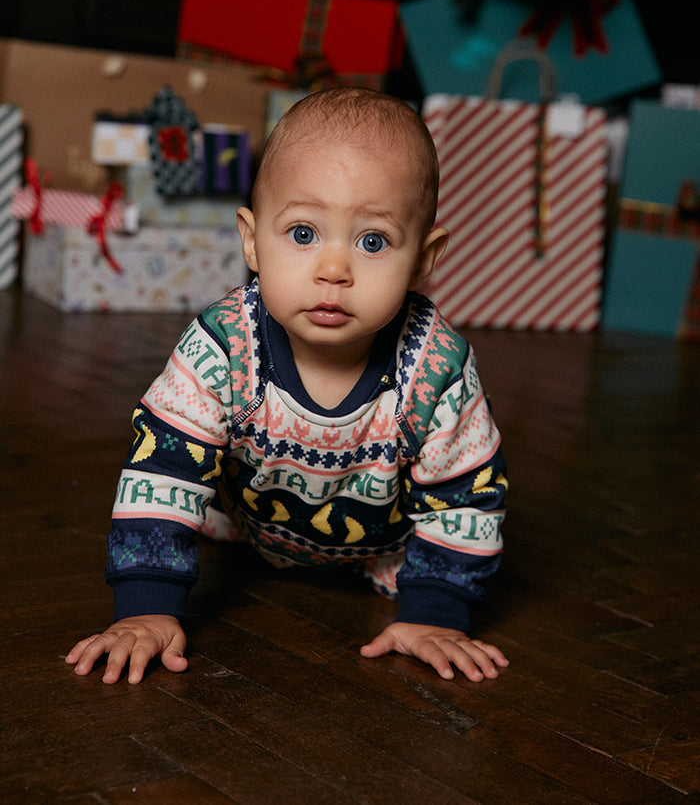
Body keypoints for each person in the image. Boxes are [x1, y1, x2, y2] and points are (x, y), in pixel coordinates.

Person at [66, 88, 509, 686]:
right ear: (252, 241)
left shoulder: (437, 369)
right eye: (303, 233)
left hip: (385, 549)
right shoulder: (223, 347)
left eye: (372, 241)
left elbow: (464, 496)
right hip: (247, 524)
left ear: (424, 260)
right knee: (180, 482)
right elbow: (162, 472)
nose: (333, 270)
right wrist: (146, 605)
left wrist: (436, 612)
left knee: (443, 526)